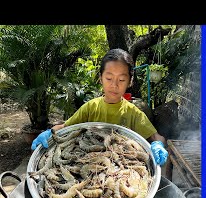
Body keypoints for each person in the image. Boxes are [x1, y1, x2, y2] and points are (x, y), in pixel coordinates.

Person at [31, 48, 168, 166]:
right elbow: (65, 127)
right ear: (100, 77)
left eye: (121, 80)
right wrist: (49, 132)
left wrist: (158, 145)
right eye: (109, 78)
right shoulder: (91, 107)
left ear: (130, 81)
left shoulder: (134, 114)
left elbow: (157, 137)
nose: (114, 85)